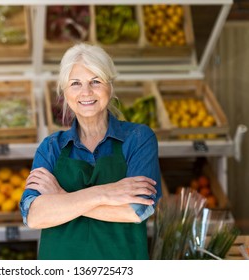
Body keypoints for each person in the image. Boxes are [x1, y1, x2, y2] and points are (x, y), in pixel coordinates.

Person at [19, 43, 162, 260]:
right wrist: (105, 194)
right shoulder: (51, 147)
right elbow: (35, 216)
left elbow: (135, 210)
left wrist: (61, 198)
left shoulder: (139, 138)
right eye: (75, 83)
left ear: (110, 87)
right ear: (65, 92)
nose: (86, 92)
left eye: (95, 81)